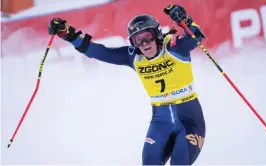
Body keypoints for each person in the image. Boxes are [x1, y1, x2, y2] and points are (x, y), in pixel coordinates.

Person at [48, 4, 206, 165]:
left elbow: (196, 37)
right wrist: (67, 34)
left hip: (189, 121)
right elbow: (98, 51)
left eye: (148, 37)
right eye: (138, 41)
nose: (144, 44)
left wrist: (184, 20)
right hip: (160, 123)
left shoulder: (174, 47)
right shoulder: (134, 57)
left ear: (157, 34)